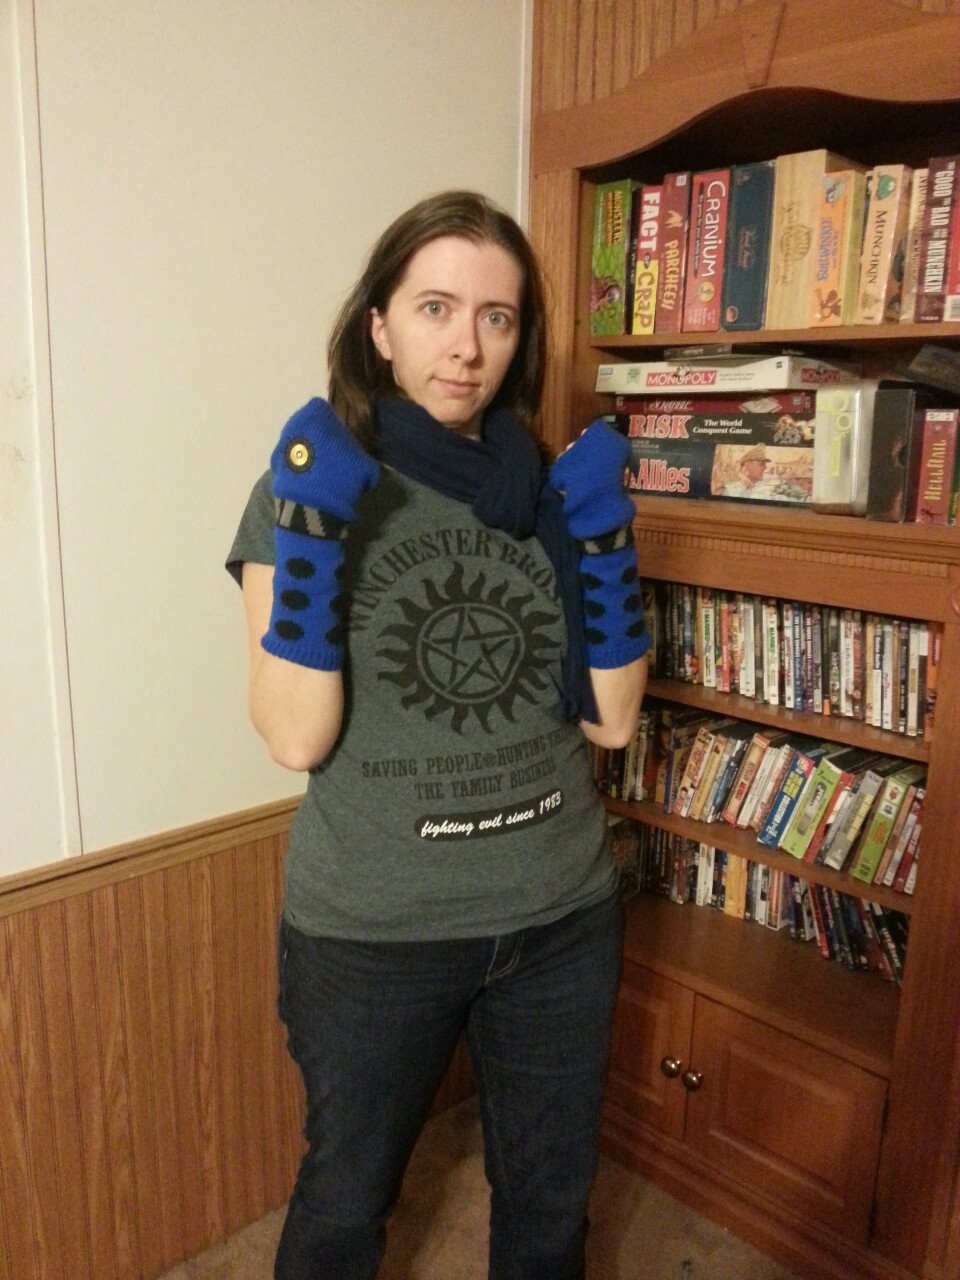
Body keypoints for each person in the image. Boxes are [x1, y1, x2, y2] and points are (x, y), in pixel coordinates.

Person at [226, 189, 650, 1280]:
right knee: (344, 1205)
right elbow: (293, 736)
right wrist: (315, 529)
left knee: (551, 1209)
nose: (467, 346)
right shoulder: (307, 487)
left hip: (559, 917)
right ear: (378, 325)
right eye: (435, 308)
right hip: (375, 932)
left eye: (497, 317)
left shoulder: (550, 494)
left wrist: (603, 543)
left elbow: (610, 720)